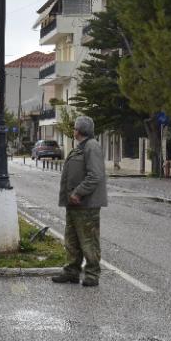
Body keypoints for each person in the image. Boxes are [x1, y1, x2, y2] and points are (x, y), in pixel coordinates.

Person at [52, 116, 108, 287]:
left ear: (80, 130)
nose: (73, 130)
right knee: (72, 239)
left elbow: (95, 175)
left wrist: (78, 192)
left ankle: (92, 274)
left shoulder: (92, 146)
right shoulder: (80, 147)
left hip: (86, 204)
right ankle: (71, 271)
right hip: (74, 204)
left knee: (88, 239)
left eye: (75, 128)